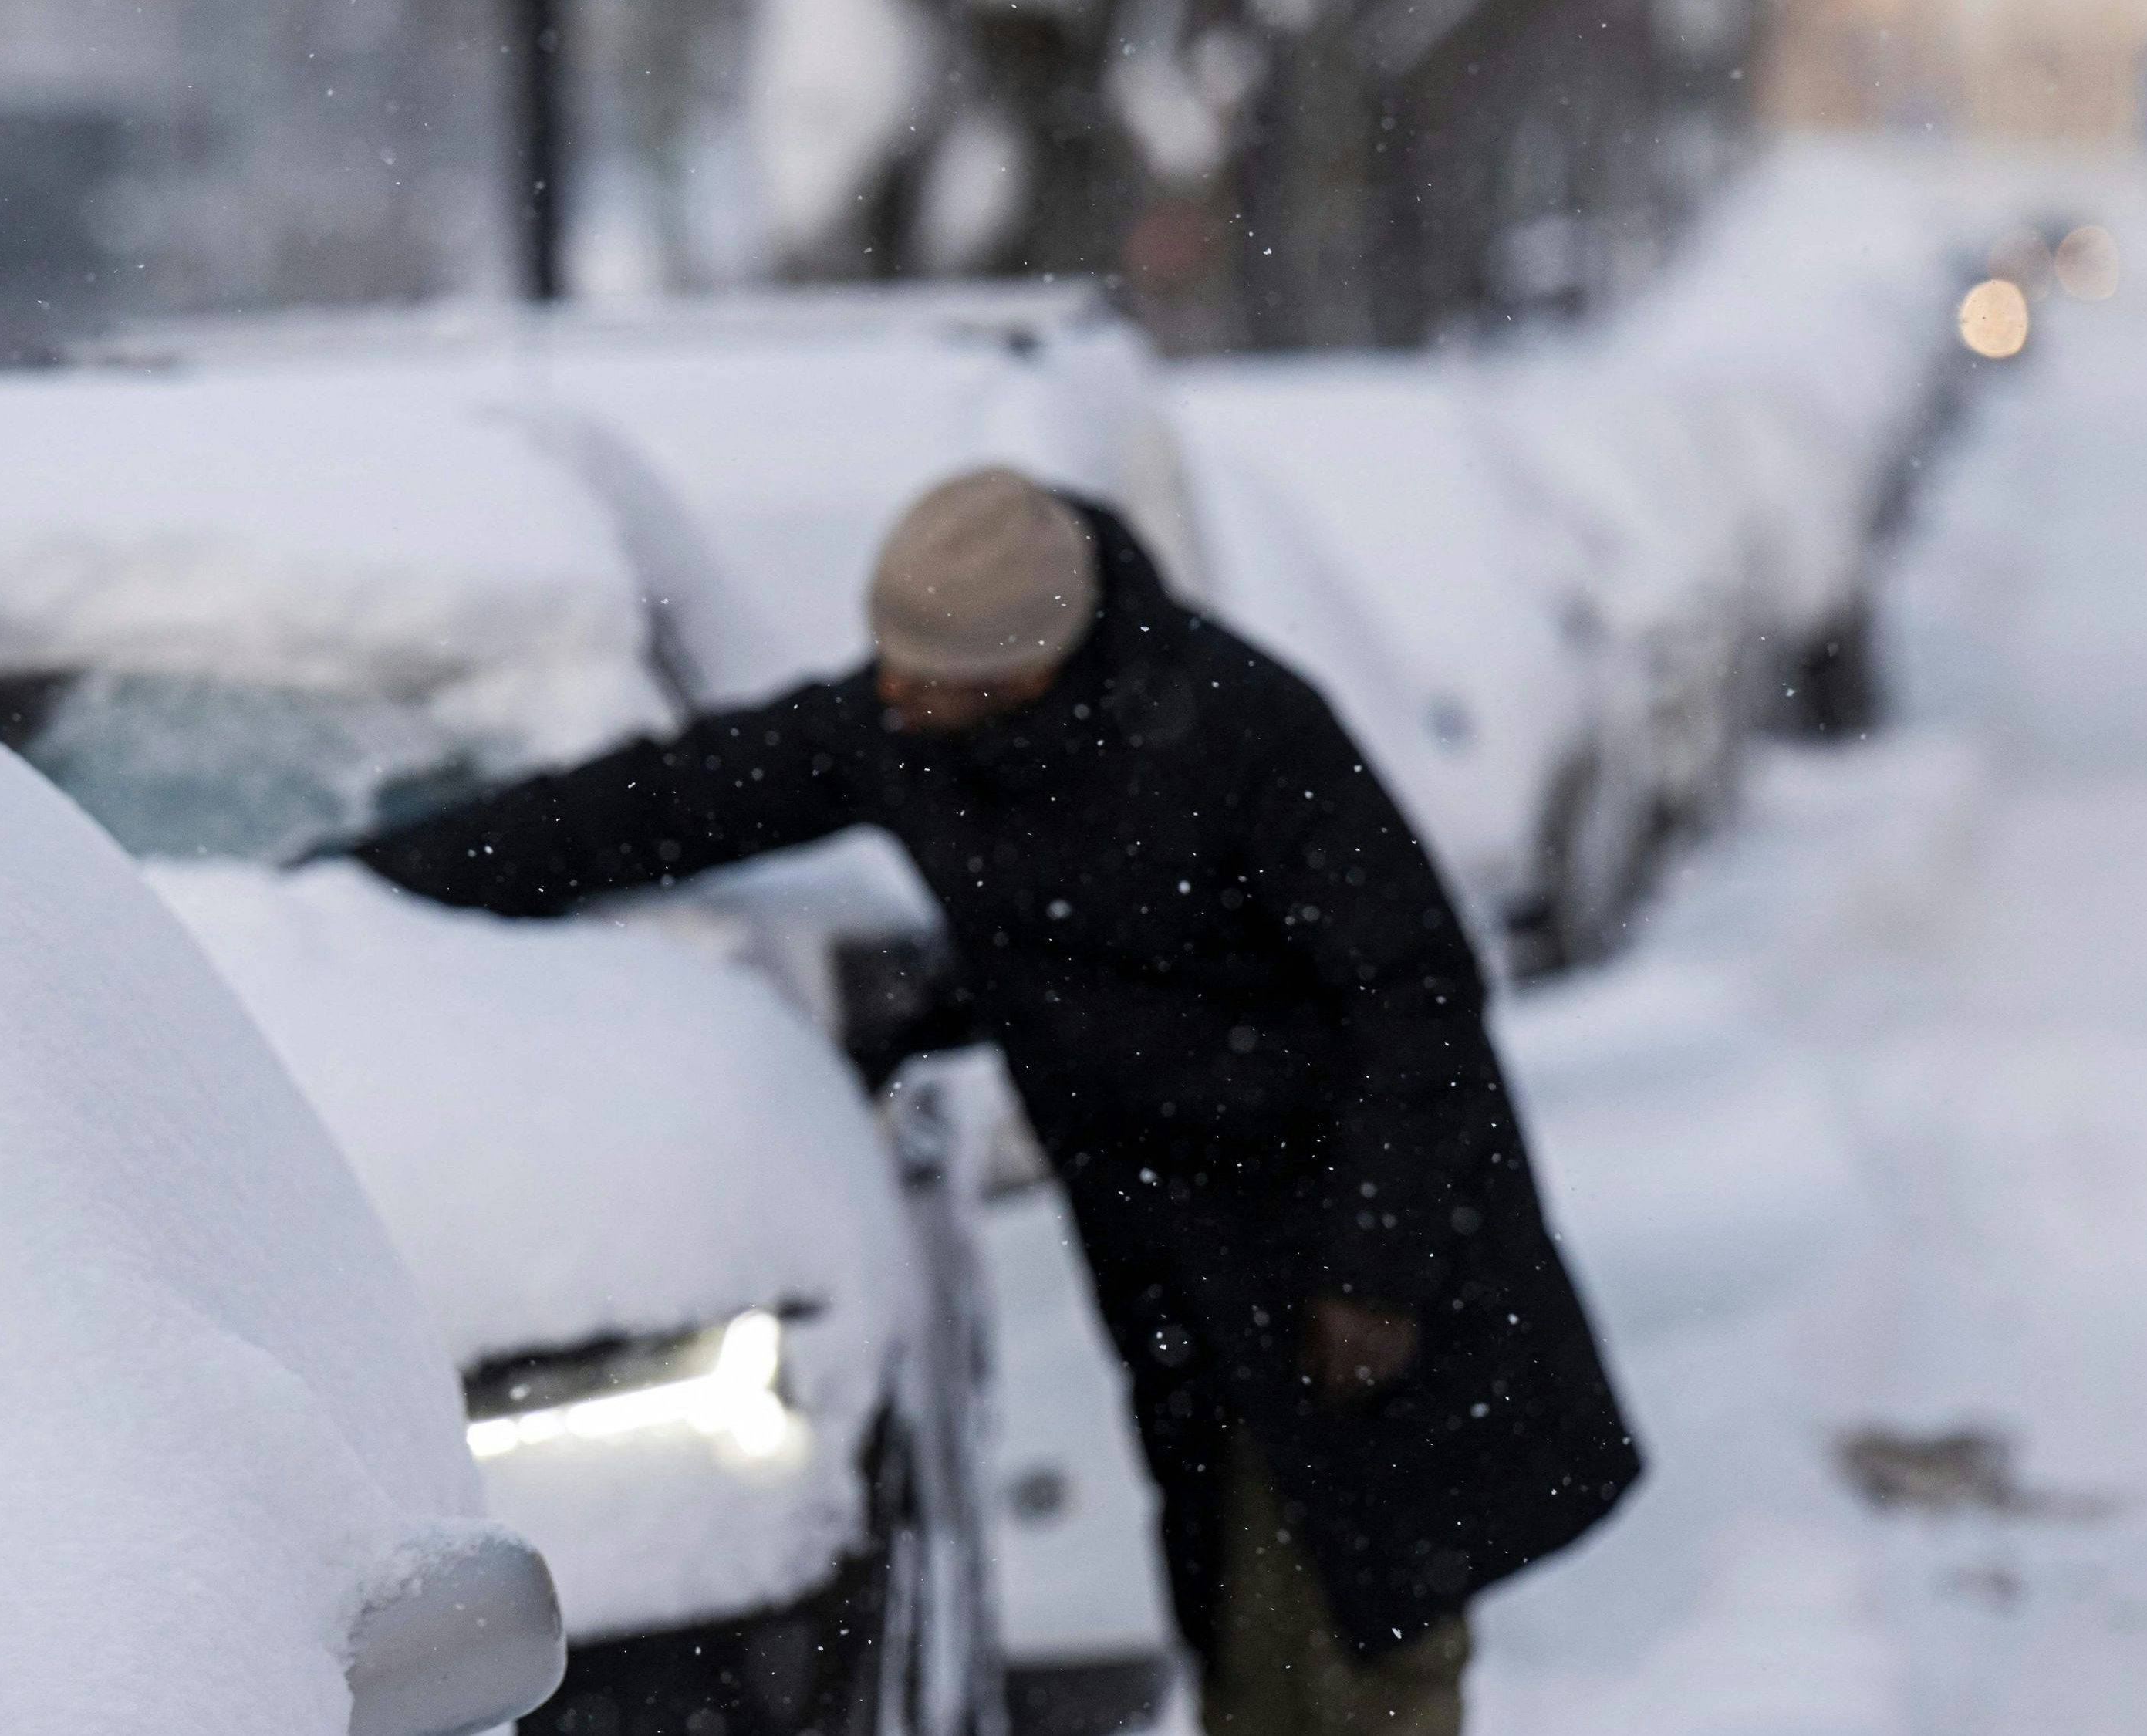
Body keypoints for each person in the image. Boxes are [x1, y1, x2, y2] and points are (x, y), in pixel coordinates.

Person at [354, 468, 1639, 1735]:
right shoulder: (918, 732)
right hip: (1176, 1247)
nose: (891, 693)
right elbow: (668, 799)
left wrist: (1376, 1265)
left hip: (1343, 1232)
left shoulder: (1238, 728)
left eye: (926, 676)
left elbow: (1414, 993)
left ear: (1025, 670)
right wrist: (369, 880)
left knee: (1369, 1621)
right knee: (1249, 1620)